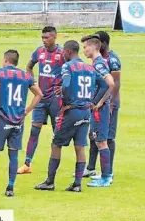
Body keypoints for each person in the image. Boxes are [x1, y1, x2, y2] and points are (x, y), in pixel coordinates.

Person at [34, 40, 109, 192]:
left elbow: (67, 84)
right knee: (80, 147)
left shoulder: (67, 66)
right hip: (86, 112)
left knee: (56, 144)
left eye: (64, 52)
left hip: (71, 111)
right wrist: (93, 102)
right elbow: (105, 85)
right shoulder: (89, 67)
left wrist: (65, 100)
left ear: (68, 52)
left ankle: (50, 181)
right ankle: (77, 184)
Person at [0, 50, 42, 197]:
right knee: (14, 155)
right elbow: (39, 94)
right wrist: (26, 111)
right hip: (18, 121)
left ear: (5, 60)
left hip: (2, 119)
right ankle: (10, 188)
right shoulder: (26, 76)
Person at [18, 26, 65, 174]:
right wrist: (33, 82)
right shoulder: (39, 52)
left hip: (56, 100)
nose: (44, 40)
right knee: (34, 130)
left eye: (47, 38)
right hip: (41, 99)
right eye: (42, 38)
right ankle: (27, 164)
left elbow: (72, 70)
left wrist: (64, 87)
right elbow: (29, 66)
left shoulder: (62, 53)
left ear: (55, 37)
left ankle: (54, 166)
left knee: (56, 133)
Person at [87, 31, 122, 180]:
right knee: (94, 135)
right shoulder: (98, 59)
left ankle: (109, 171)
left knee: (108, 137)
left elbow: (115, 84)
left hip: (109, 103)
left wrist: (110, 103)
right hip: (98, 102)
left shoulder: (112, 60)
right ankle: (91, 168)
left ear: (103, 43)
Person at [81, 34, 115, 187]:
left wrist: (100, 102)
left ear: (94, 47)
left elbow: (110, 83)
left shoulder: (99, 64)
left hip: (100, 110)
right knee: (98, 139)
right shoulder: (97, 62)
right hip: (98, 108)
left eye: (85, 47)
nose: (84, 51)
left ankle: (106, 178)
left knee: (101, 142)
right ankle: (105, 174)